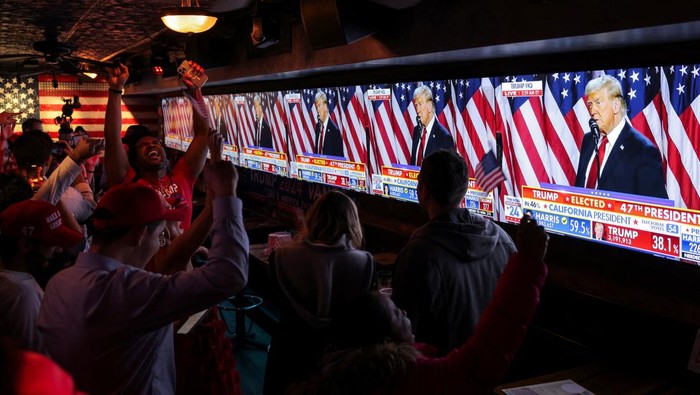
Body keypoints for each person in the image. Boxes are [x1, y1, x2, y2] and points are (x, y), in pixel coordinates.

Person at [37, 160, 249, 395]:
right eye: (160, 234)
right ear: (139, 235)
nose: (163, 242)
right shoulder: (130, 290)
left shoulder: (59, 283)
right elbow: (230, 274)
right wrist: (227, 191)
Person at [289, 214, 548, 395]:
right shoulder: (403, 378)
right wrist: (527, 263)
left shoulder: (340, 375)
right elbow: (484, 355)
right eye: (395, 312)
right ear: (385, 343)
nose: (403, 311)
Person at [392, 149, 516, 356]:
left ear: (422, 190)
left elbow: (404, 334)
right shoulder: (503, 241)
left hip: (440, 376)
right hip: (499, 368)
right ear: (463, 190)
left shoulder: (418, 254)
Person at [264, 190, 374, 394]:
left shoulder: (281, 258)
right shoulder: (365, 263)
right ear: (352, 222)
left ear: (313, 217)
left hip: (289, 356)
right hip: (339, 362)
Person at [103, 61, 211, 229]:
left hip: (182, 255)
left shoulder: (182, 176)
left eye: (155, 142)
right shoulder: (128, 181)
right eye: (143, 145)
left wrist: (195, 91)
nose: (151, 145)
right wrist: (116, 90)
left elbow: (203, 135)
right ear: (136, 159)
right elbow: (112, 139)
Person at [0, 199, 84, 352]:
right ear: (24, 245)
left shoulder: (12, 282)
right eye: (51, 244)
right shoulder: (21, 294)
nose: (58, 250)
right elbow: (43, 357)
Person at [575, 75, 667, 199]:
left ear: (616, 106)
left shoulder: (644, 151)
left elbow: (653, 209)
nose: (592, 110)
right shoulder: (588, 140)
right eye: (590, 104)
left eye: (598, 102)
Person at [409, 85, 455, 166]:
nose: (417, 110)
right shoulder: (416, 131)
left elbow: (447, 173)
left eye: (420, 104)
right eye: (416, 105)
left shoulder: (444, 137)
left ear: (429, 106)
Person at [314, 91, 343, 157]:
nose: (317, 110)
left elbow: (339, 159)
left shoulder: (335, 131)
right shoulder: (318, 127)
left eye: (319, 106)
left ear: (325, 106)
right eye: (316, 107)